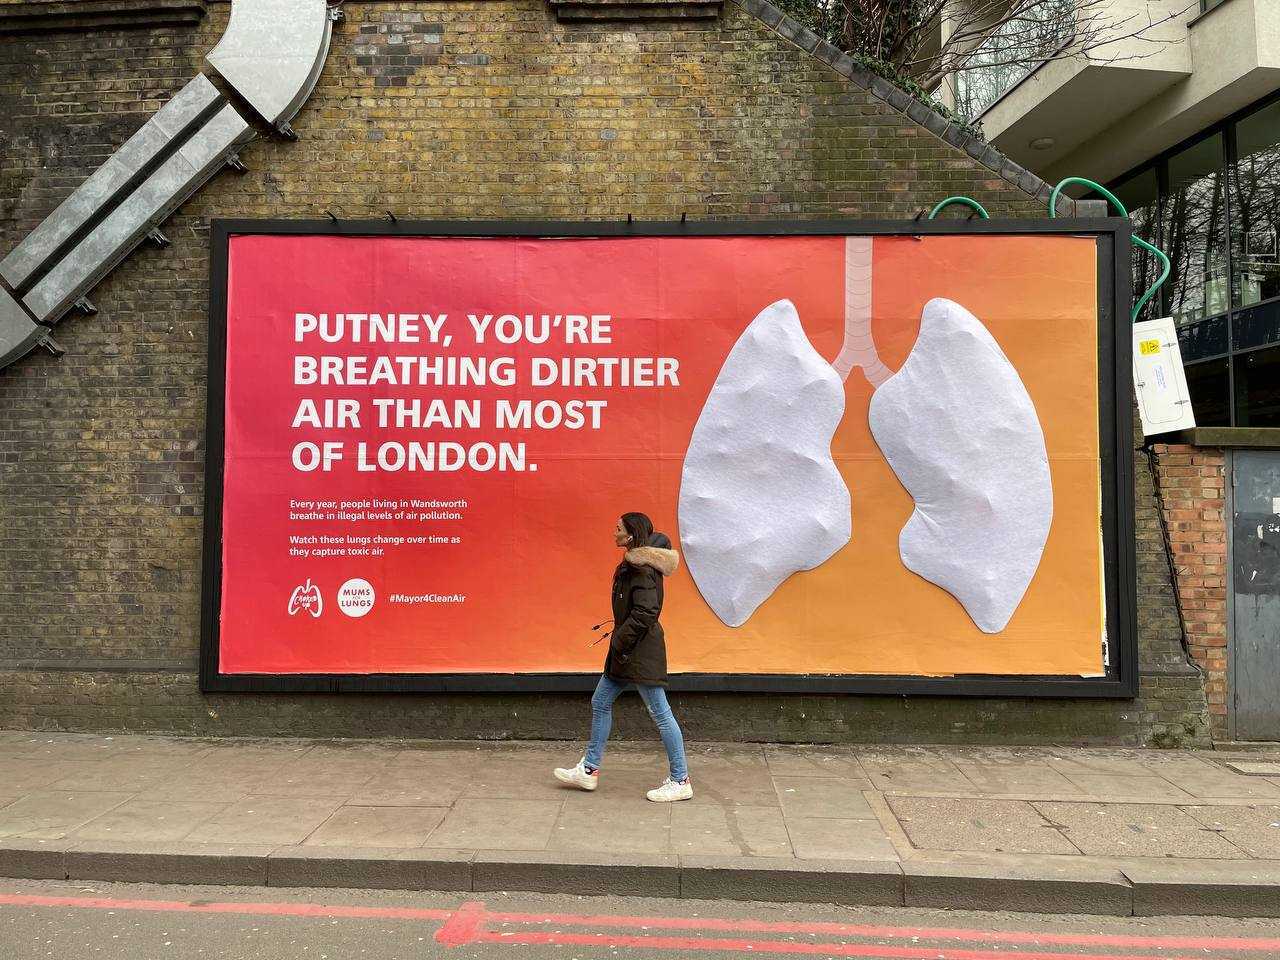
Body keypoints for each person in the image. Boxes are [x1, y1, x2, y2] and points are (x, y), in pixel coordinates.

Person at [554, 512, 692, 802]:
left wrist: (620, 638)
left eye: (618, 529)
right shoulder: (635, 562)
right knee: (601, 701)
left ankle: (680, 780)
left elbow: (646, 612)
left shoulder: (641, 568)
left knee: (660, 713)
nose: (613, 532)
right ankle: (588, 771)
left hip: (640, 650)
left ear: (630, 535)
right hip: (627, 650)